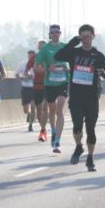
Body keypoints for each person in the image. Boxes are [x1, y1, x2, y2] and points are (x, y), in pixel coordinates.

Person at [54, 24, 105, 171]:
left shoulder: (98, 55)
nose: (86, 39)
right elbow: (58, 56)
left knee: (91, 129)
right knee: (77, 126)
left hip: (92, 97)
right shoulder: (74, 52)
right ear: (80, 37)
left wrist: (103, 74)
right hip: (76, 96)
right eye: (83, 36)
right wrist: (74, 41)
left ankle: (90, 158)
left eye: (88, 36)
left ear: (93, 36)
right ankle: (79, 147)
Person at [35, 25, 70, 153]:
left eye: (57, 32)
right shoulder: (45, 49)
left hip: (63, 82)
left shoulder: (65, 47)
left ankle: (57, 141)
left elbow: (73, 62)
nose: (55, 34)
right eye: (53, 32)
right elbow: (36, 67)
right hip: (50, 83)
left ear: (60, 34)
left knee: (60, 109)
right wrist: (46, 69)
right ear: (50, 34)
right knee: (52, 109)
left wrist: (68, 69)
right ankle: (53, 130)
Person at [16, 49, 37, 132]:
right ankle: (29, 115)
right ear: (28, 55)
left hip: (34, 87)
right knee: (25, 109)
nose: (31, 56)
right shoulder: (22, 64)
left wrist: (32, 77)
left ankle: (30, 125)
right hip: (25, 87)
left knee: (32, 106)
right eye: (29, 55)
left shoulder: (37, 64)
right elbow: (17, 74)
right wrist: (21, 78)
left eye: (33, 55)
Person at [32, 40, 49, 141]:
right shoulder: (35, 57)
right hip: (37, 86)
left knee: (45, 108)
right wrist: (26, 74)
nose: (42, 48)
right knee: (39, 110)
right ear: (38, 47)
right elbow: (27, 69)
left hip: (48, 85)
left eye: (44, 46)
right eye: (40, 46)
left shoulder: (50, 56)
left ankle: (42, 131)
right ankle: (43, 128)